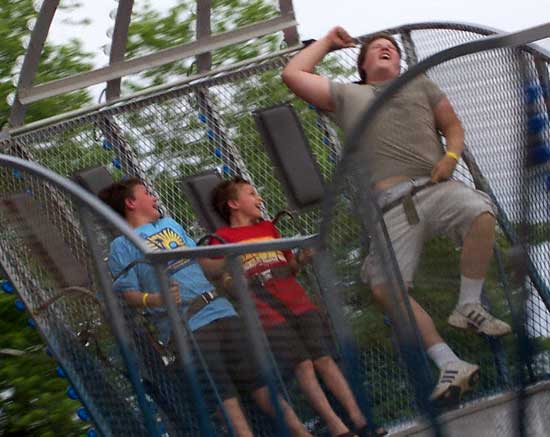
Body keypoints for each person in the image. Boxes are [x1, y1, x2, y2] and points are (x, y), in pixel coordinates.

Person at [281, 26, 512, 403]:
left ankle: (468, 304)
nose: (387, 50)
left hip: (435, 186)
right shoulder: (347, 94)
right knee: (385, 287)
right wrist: (327, 43)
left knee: (480, 211)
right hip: (391, 206)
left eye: (392, 48)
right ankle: (449, 362)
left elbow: (453, 126)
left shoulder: (420, 85)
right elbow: (292, 75)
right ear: (363, 63)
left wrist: (451, 158)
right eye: (378, 48)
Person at [98, 177, 312, 437]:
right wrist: (156, 300)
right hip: (188, 326)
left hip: (222, 311)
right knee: (226, 399)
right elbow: (128, 294)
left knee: (262, 384)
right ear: (131, 202)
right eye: (146, 193)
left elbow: (204, 265)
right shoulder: (121, 246)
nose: (153, 196)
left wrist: (230, 254)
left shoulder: (170, 224)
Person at [209, 176, 386, 437]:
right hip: (265, 309)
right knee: (302, 365)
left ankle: (360, 419)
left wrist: (301, 259)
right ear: (234, 203)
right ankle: (338, 427)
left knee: (324, 358)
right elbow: (223, 278)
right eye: (251, 194)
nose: (259, 199)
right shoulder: (222, 239)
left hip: (296, 299)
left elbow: (289, 267)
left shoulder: (269, 228)